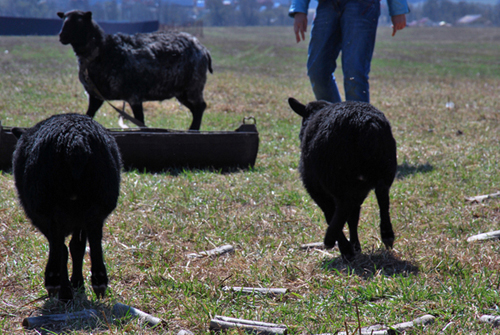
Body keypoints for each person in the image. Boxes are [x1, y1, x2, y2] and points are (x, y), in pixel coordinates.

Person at [290, 0, 409, 103]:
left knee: (355, 73)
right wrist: (299, 8)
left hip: (362, 5)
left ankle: (357, 127)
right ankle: (335, 121)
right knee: (317, 71)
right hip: (326, 4)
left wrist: (397, 7)